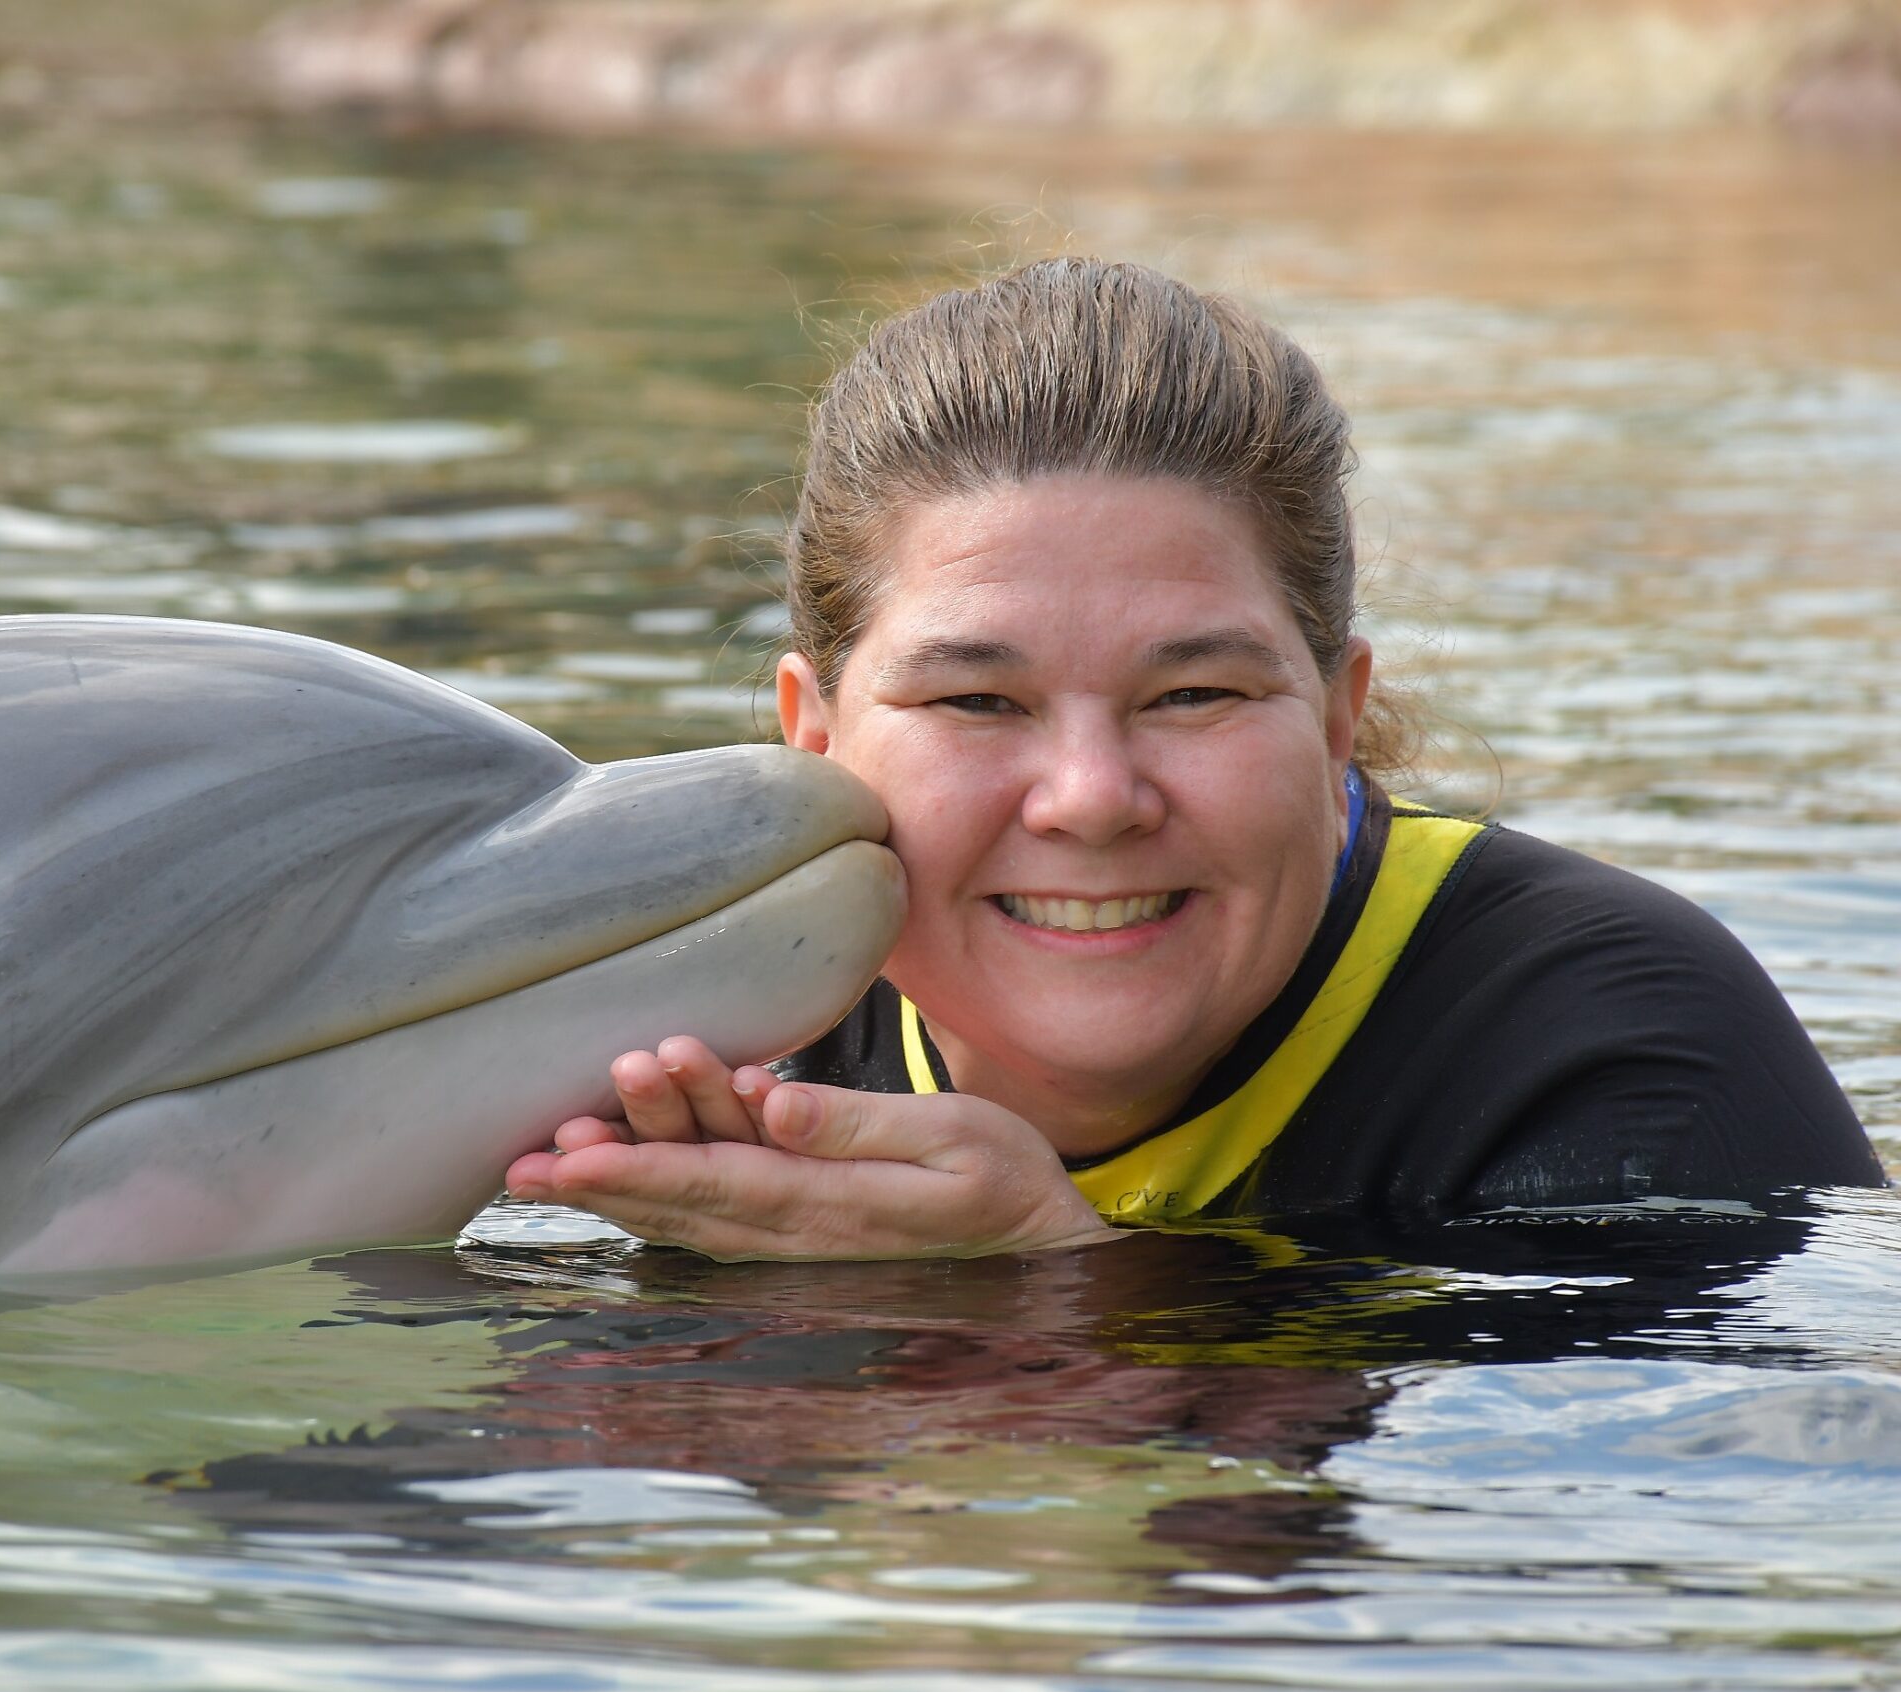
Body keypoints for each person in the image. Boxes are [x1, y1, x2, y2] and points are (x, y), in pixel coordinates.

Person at [504, 257, 1884, 1260]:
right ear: (813, 735)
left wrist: (1038, 1287)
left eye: (1196, 693)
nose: (1094, 798)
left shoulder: (1616, 1047)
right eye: (978, 702)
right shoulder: (710, 1042)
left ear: (1340, 720)